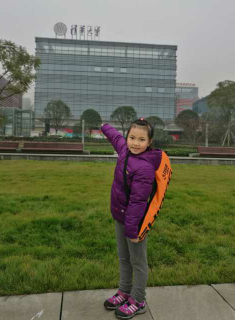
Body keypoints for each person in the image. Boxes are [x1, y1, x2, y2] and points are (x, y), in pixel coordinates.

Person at [101, 118, 162, 319]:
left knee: (137, 261)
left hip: (135, 223)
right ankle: (124, 291)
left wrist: (133, 230)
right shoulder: (125, 150)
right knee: (124, 257)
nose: (135, 143)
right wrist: (104, 126)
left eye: (141, 139)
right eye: (132, 137)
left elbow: (138, 202)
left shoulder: (144, 167)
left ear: (150, 142)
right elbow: (115, 137)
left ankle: (138, 299)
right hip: (120, 216)